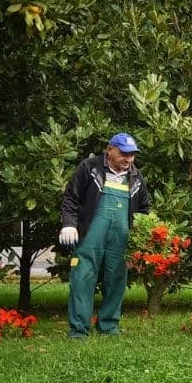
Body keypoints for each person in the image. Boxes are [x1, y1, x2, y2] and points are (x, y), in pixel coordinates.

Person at [60, 132, 151, 338]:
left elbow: (144, 209)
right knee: (82, 278)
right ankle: (79, 330)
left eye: (132, 155)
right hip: (90, 235)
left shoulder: (135, 176)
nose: (128, 160)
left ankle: (109, 326)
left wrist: (140, 239)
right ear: (109, 150)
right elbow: (71, 198)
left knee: (117, 279)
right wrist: (69, 224)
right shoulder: (89, 167)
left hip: (121, 238)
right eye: (124, 154)